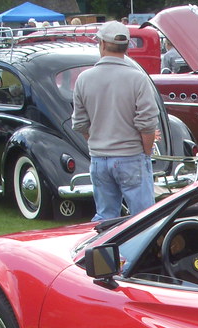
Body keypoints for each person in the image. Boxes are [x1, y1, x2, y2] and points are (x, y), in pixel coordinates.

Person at [72, 21, 160, 221]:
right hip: (131, 156)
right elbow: (147, 123)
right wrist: (146, 153)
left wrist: (98, 142)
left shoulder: (83, 79)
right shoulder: (138, 79)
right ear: (126, 46)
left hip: (99, 158)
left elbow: (80, 123)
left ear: (102, 44)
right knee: (144, 219)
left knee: (105, 217)